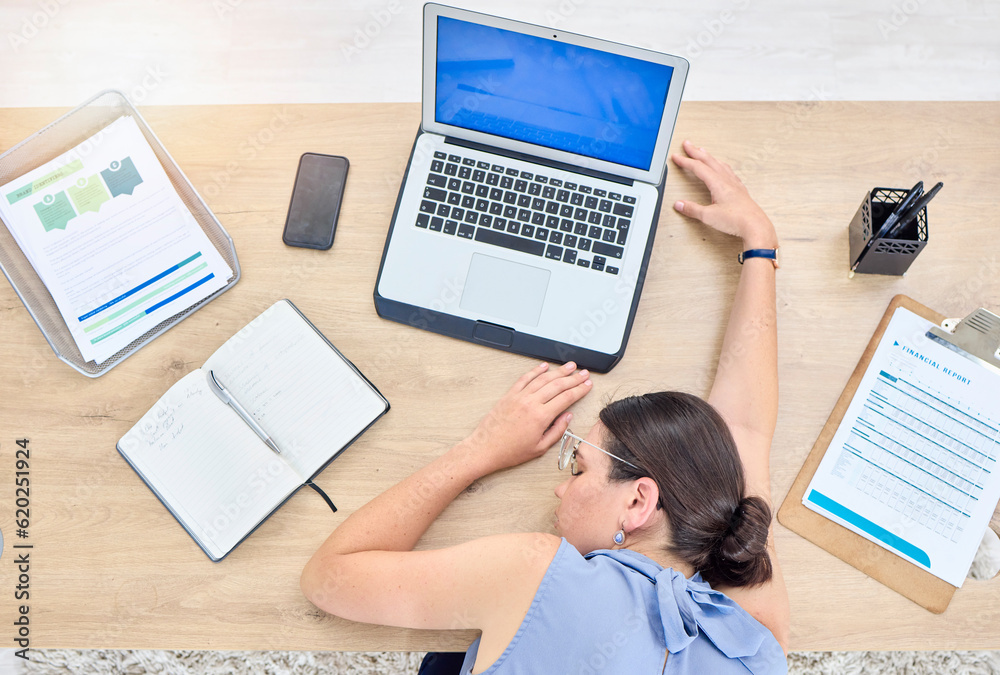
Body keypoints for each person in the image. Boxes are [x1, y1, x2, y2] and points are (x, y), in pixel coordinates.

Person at [300, 141, 790, 674]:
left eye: (579, 465)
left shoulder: (530, 573)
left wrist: (479, 450)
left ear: (639, 503)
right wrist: (759, 246)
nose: (561, 485)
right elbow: (743, 430)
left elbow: (328, 578)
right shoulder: (752, 641)